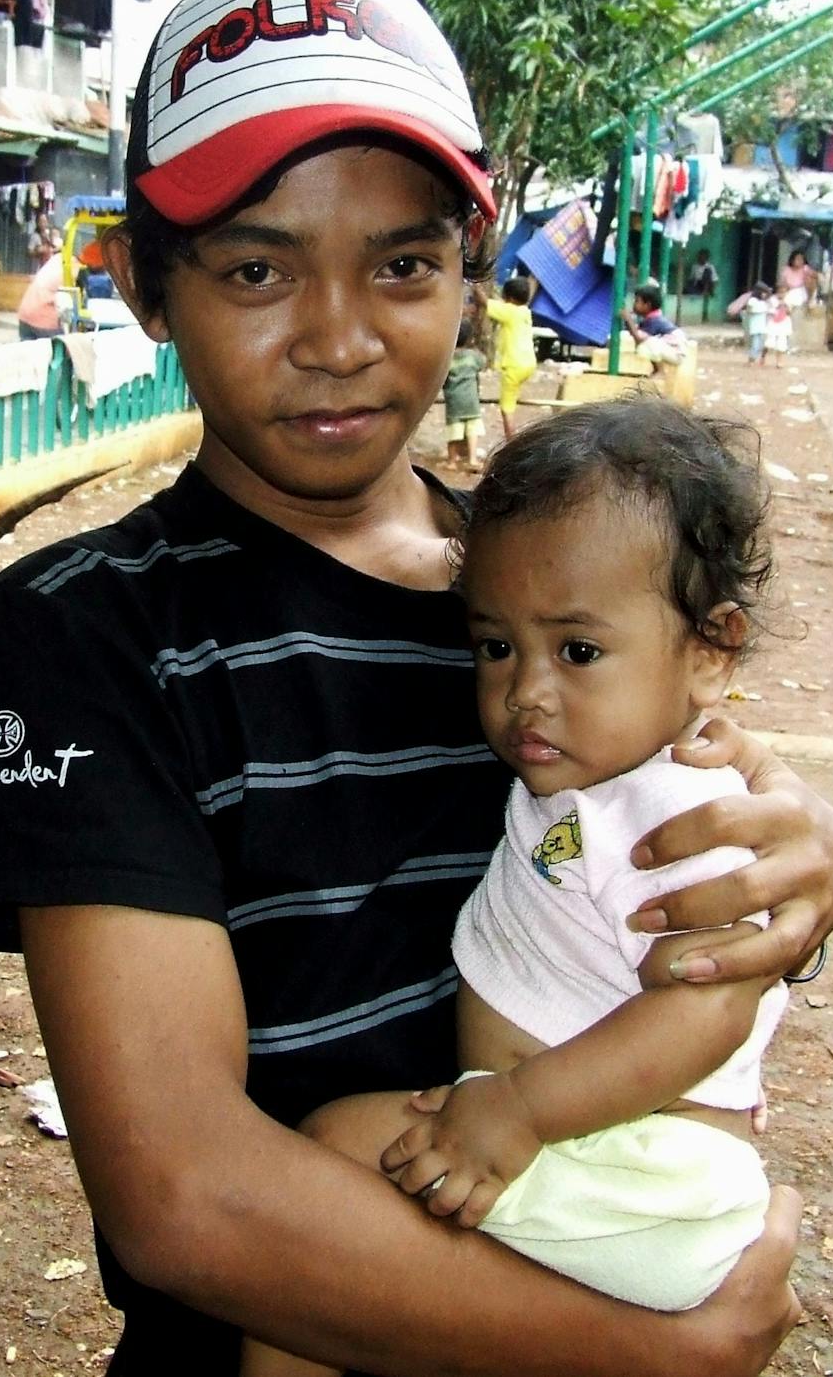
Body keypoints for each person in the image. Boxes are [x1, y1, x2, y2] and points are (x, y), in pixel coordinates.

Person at [0, 0, 833, 1373]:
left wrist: (812, 861)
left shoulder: (540, 589)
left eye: (403, 264)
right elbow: (187, 1200)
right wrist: (650, 1352)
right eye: (256, 268)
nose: (340, 336)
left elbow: (675, 851)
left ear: (468, 268)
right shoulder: (80, 642)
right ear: (142, 287)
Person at [242, 397, 792, 1376]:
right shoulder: (593, 779)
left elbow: (708, 1010)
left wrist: (523, 1110)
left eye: (578, 651)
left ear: (711, 651)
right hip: (597, 1157)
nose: (527, 689)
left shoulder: (677, 815)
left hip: (641, 1171)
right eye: (497, 646)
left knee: (326, 1158)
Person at [487, 274, 539, 440]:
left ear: (508, 297)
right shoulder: (525, 311)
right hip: (528, 363)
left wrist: (476, 288)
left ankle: (511, 439)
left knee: (506, 407)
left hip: (513, 365)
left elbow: (485, 303)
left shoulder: (509, 311)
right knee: (513, 395)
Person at [442, 319, 487, 471]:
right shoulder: (473, 357)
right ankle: (473, 459)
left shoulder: (447, 358)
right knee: (472, 429)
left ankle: (452, 461)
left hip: (454, 400)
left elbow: (442, 378)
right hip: (471, 400)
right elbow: (483, 363)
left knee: (454, 430)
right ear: (469, 338)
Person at [620, 282, 688, 377]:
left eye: (637, 301)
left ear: (647, 305)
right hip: (671, 350)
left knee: (644, 346)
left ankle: (660, 371)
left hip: (676, 353)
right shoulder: (651, 318)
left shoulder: (654, 320)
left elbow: (638, 338)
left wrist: (628, 320)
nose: (634, 305)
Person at [16, 243, 72, 340]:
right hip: (44, 321)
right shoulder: (71, 266)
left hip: (25, 314)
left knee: (29, 353)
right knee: (59, 350)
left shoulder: (56, 259)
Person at [778, 248, 817, 312]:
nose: (800, 261)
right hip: (789, 291)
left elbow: (814, 276)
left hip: (803, 291)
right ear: (792, 260)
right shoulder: (786, 270)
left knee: (809, 278)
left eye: (802, 259)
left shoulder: (805, 268)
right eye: (798, 259)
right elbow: (782, 284)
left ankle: (810, 301)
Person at [764, 282, 793, 368]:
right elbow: (769, 311)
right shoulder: (772, 300)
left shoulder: (789, 300)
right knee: (769, 342)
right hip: (773, 323)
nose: (782, 294)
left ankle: (779, 362)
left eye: (784, 292)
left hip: (783, 323)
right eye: (780, 292)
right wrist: (778, 305)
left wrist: (785, 305)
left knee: (782, 343)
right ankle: (763, 356)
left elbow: (790, 312)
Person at [743, 282, 771, 366]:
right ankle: (751, 360)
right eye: (764, 293)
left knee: (761, 344)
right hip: (755, 327)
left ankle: (757, 358)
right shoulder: (752, 301)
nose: (765, 295)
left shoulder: (764, 302)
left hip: (762, 327)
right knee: (755, 344)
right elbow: (750, 310)